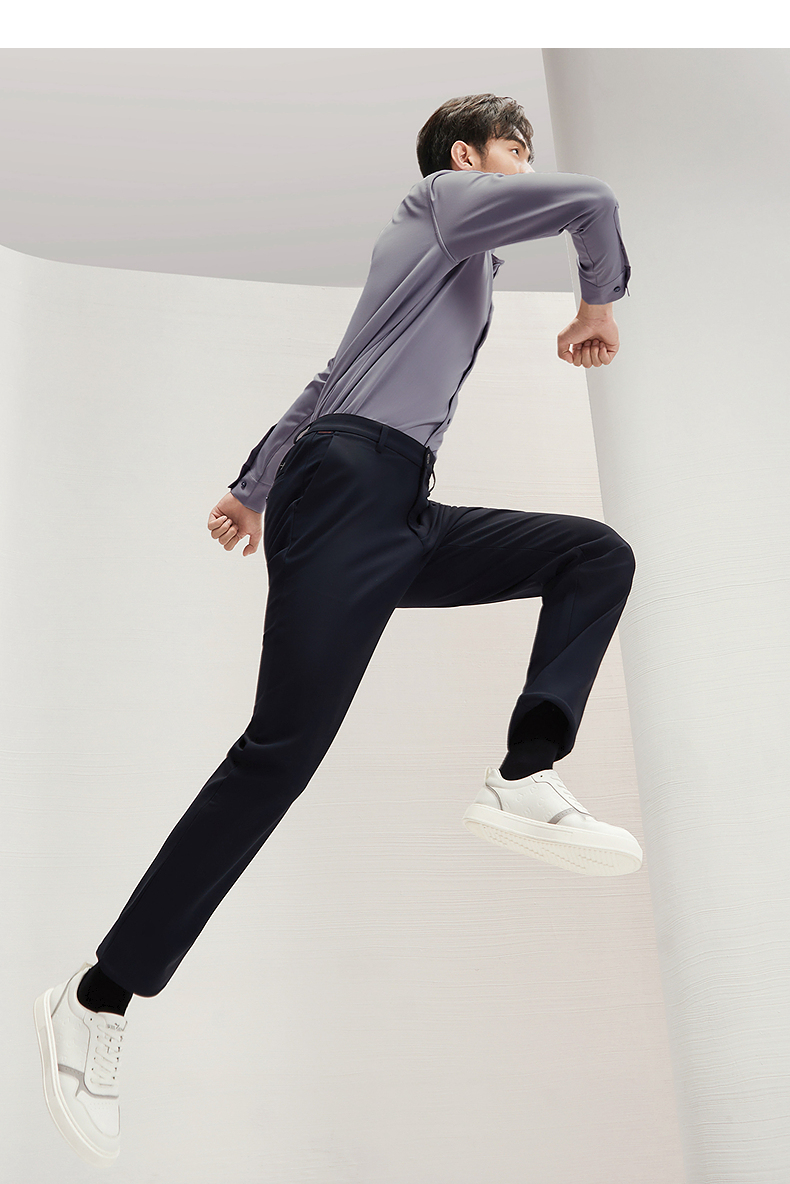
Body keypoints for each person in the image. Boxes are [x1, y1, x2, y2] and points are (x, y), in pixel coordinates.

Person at [34, 92, 641, 1168]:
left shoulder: (446, 267)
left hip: (396, 507)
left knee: (592, 553)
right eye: (516, 148)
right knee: (279, 755)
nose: (528, 164)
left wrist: (252, 485)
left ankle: (524, 770)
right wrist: (598, 304)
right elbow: (589, 200)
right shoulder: (444, 201)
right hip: (355, 491)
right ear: (469, 156)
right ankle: (97, 997)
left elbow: (330, 374)